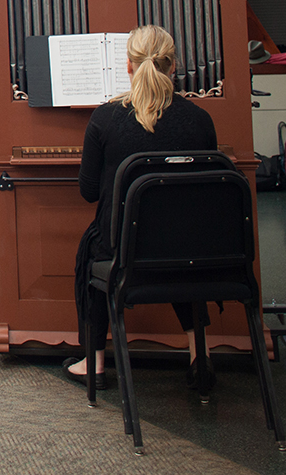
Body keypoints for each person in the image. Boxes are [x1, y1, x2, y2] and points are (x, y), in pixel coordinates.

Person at [65, 26, 219, 387]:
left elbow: (88, 192)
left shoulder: (105, 118)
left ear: (129, 66)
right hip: (190, 247)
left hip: (124, 248)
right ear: (174, 66)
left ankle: (96, 362)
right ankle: (200, 356)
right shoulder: (200, 120)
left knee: (92, 248)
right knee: (180, 247)